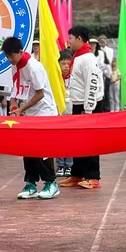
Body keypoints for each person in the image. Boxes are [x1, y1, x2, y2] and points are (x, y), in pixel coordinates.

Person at [2, 37, 60, 199]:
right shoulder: (15, 66)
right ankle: (31, 183)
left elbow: (40, 94)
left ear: (21, 52)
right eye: (7, 57)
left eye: (11, 56)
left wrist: (21, 109)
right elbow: (15, 89)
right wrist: (14, 106)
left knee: (43, 149)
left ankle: (51, 183)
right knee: (27, 149)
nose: (9, 59)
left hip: (44, 112)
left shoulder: (33, 67)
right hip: (27, 112)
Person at [60, 26, 104, 190]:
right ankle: (77, 173)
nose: (68, 41)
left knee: (91, 141)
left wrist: (88, 109)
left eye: (70, 38)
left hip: (89, 107)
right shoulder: (78, 57)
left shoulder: (87, 59)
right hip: (78, 105)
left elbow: (92, 85)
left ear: (79, 39)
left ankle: (93, 176)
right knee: (77, 140)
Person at [56, 49, 73, 177]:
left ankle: (69, 165)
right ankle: (60, 165)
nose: (66, 66)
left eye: (68, 63)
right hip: (58, 115)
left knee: (70, 140)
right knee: (59, 140)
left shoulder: (73, 79)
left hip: (71, 114)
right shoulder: (56, 80)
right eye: (63, 63)